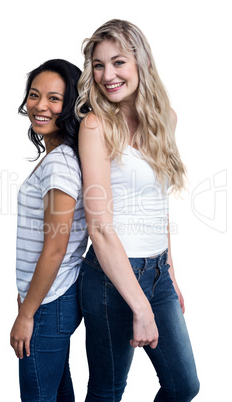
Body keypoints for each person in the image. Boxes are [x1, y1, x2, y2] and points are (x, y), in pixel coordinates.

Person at [76, 19, 200, 401]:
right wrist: (140, 305)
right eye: (98, 65)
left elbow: (157, 205)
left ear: (140, 63)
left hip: (157, 271)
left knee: (183, 386)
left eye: (118, 62)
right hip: (111, 278)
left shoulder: (166, 120)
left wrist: (170, 275)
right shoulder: (96, 126)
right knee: (108, 391)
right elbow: (99, 227)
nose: (107, 75)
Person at [10, 59, 88, 402]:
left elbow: (55, 248)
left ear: (71, 105)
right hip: (50, 297)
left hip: (50, 302)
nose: (40, 106)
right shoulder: (60, 156)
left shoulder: (60, 163)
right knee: (57, 392)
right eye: (34, 95)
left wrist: (27, 313)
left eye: (54, 99)